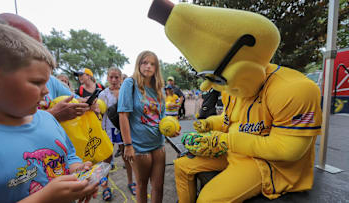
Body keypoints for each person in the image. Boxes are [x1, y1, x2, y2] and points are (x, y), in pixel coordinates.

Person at [148, 1, 322, 203]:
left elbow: (289, 149)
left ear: (243, 69)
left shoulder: (294, 90)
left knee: (209, 199)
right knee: (182, 165)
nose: (212, 87)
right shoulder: (231, 89)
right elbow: (229, 119)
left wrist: (227, 140)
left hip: (267, 164)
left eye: (218, 79)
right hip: (236, 151)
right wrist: (209, 124)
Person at [0, 22, 98, 203]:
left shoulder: (47, 119)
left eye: (46, 83)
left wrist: (77, 170)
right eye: (36, 82)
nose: (47, 91)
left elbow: (69, 154)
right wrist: (45, 198)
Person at [0, 13, 91, 123]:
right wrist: (53, 115)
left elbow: (74, 99)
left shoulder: (52, 81)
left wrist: (86, 103)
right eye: (36, 82)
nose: (45, 91)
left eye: (40, 46)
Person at [118, 50, 166, 203]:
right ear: (138, 64)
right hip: (139, 146)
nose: (148, 67)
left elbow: (162, 118)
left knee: (159, 187)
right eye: (144, 63)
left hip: (158, 144)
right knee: (142, 186)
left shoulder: (159, 88)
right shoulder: (130, 84)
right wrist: (128, 145)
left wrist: (170, 129)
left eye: (152, 64)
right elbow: (123, 115)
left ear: (156, 68)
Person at [98, 66, 136, 200]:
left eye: (116, 77)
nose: (114, 80)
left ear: (121, 78)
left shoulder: (126, 92)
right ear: (107, 78)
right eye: (111, 77)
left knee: (127, 157)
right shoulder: (103, 94)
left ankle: (131, 182)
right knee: (106, 159)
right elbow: (100, 114)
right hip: (108, 130)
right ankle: (104, 186)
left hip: (122, 129)